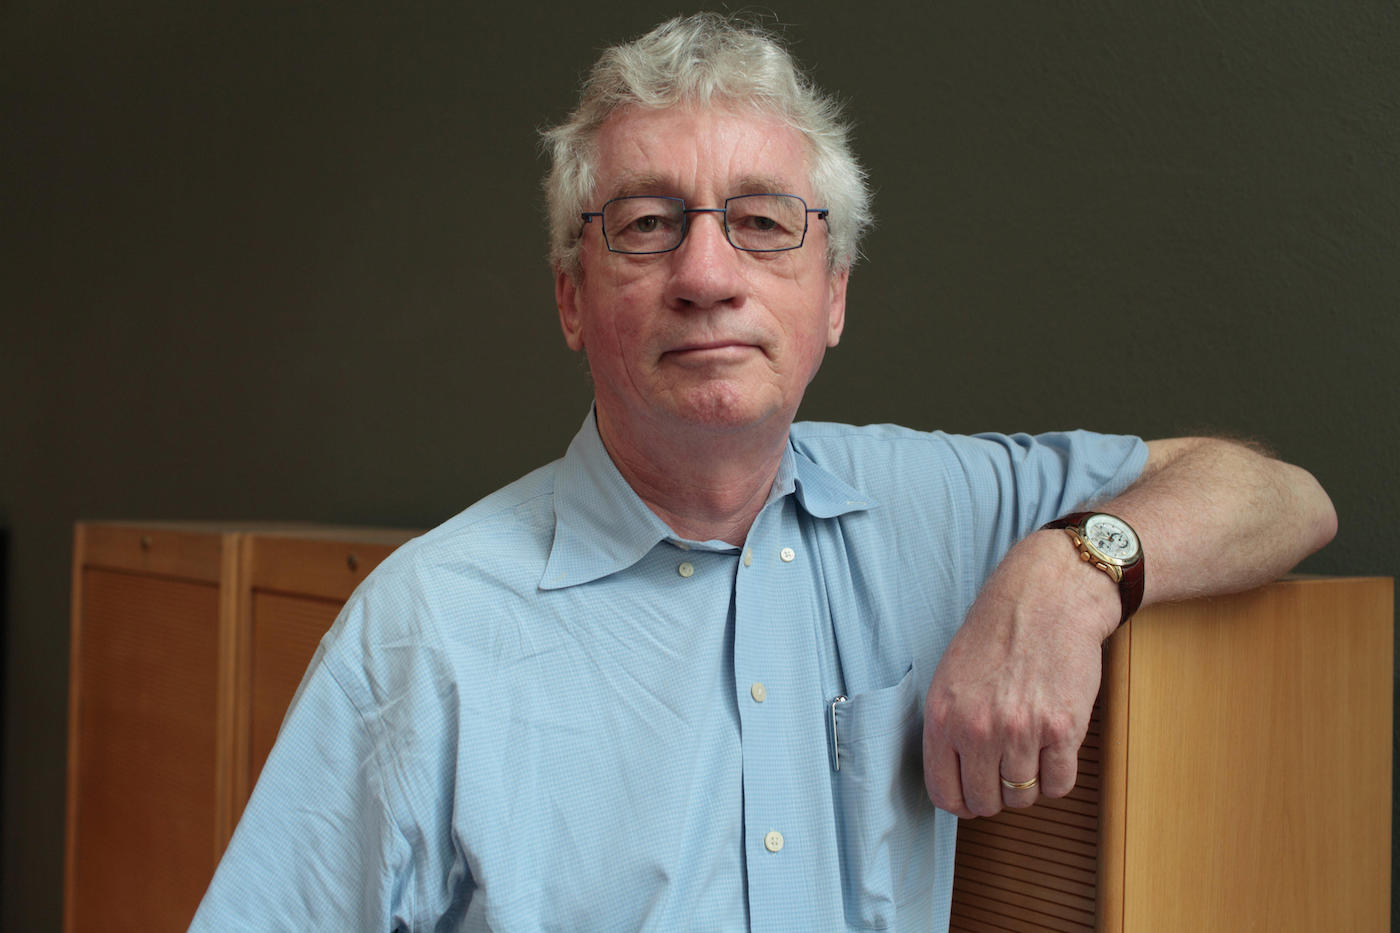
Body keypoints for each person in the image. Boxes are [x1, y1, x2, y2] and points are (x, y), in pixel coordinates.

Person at [189, 13, 1335, 932]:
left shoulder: (930, 509)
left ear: (832, 294)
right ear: (569, 299)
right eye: (644, 224)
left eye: (761, 222)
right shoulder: (426, 630)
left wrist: (1074, 567)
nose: (705, 273)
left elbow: (1278, 496)